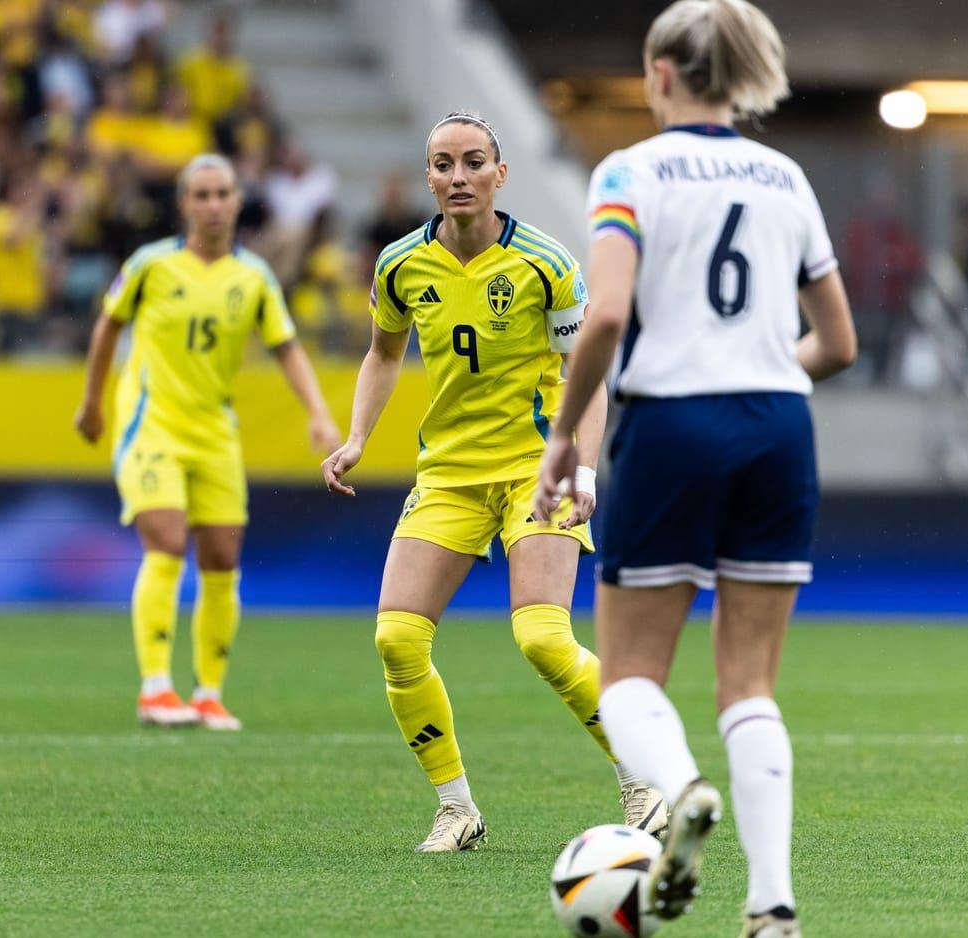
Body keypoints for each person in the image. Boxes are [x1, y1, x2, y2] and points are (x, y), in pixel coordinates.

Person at [534, 3, 857, 935]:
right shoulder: (784, 176)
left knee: (630, 676)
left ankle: (678, 793)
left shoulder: (629, 170)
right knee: (749, 685)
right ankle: (772, 908)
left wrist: (564, 439)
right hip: (778, 429)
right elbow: (836, 342)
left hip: (670, 426)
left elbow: (602, 317)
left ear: (663, 74)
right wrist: (755, 377)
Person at [321, 112, 667, 853]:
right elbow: (383, 355)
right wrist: (356, 437)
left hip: (534, 470)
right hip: (448, 473)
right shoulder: (400, 264)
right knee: (395, 640)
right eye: (441, 164)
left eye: (472, 162)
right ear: (428, 177)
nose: (456, 176)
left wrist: (581, 467)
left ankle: (643, 778)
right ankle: (456, 809)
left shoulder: (546, 264)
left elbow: (587, 373)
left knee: (542, 639)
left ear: (498, 174)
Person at [75, 153, 340, 731]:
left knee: (222, 559)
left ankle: (209, 692)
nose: (214, 205)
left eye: (223, 194)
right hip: (152, 425)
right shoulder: (151, 265)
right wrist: (93, 401)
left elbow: (287, 347)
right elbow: (108, 326)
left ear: (239, 201)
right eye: (202, 195)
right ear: (184, 204)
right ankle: (155, 687)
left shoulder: (254, 278)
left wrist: (318, 412)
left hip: (215, 430)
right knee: (166, 541)